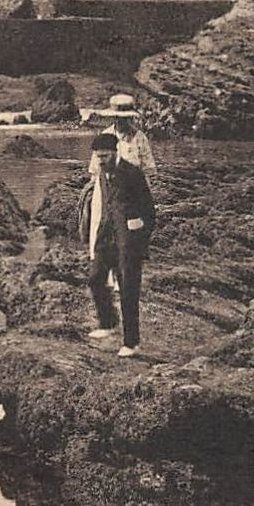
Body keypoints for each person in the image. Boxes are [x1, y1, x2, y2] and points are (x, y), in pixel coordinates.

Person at [78, 133, 155, 358]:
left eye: (104, 156)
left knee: (128, 291)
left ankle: (132, 343)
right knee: (94, 279)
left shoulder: (133, 174)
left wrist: (138, 237)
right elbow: (101, 207)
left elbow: (149, 211)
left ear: (115, 152)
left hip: (128, 242)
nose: (101, 161)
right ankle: (108, 322)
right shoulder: (102, 174)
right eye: (98, 157)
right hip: (106, 237)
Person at [98, 93, 157, 179]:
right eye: (116, 117)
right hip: (111, 184)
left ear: (130, 118)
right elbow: (96, 168)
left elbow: (149, 168)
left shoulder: (139, 137)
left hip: (134, 184)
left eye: (124, 118)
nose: (119, 121)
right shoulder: (105, 136)